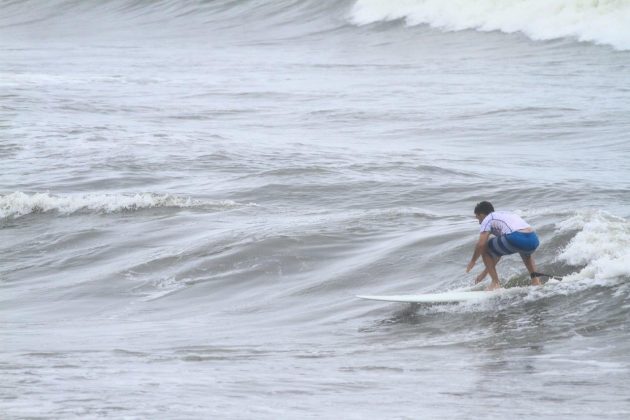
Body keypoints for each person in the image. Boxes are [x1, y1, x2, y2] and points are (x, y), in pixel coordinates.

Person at [466, 201, 541, 290]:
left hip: (516, 237)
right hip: (533, 239)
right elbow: (497, 254)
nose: (479, 222)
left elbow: (481, 244)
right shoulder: (505, 215)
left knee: (485, 248)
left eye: (478, 219)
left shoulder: (488, 219)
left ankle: (495, 283)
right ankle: (536, 281)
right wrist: (484, 273)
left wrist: (473, 261)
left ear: (482, 215)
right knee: (525, 255)